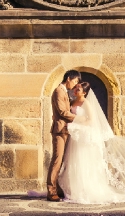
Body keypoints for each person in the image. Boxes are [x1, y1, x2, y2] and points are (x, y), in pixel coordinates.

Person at [46, 69, 81, 202]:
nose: (75, 84)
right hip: (60, 131)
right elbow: (62, 112)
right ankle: (51, 191)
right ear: (68, 79)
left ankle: (59, 188)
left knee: (64, 160)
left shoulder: (64, 91)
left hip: (67, 130)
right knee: (57, 159)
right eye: (75, 81)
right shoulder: (58, 91)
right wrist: (79, 119)